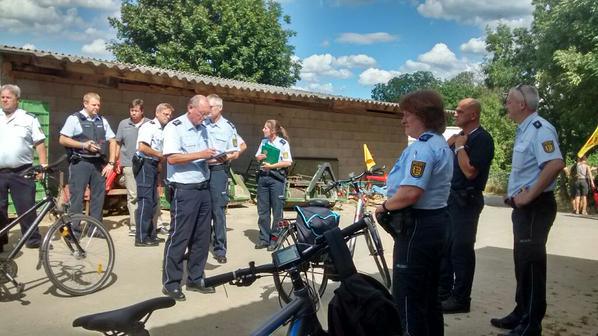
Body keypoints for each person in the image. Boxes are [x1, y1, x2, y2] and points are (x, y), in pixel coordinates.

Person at [374, 90, 453, 335]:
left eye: (407, 114)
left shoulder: (423, 148)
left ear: (422, 115)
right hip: (436, 222)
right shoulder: (439, 143)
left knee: (407, 298)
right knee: (429, 297)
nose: (403, 120)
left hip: (417, 226)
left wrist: (384, 207)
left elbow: (411, 193)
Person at [491, 84, 564, 336]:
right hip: (524, 208)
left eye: (509, 101)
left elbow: (554, 163)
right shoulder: (525, 130)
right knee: (521, 262)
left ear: (522, 105)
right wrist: (514, 196)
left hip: (536, 207)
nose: (506, 105)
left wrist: (529, 195)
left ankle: (531, 324)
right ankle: (521, 312)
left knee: (531, 265)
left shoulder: (539, 129)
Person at [439, 98, 495, 313]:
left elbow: (470, 172)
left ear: (473, 115)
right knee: (446, 247)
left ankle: (461, 299)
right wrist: (450, 145)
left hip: (467, 199)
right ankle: (443, 292)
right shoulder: (460, 138)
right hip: (451, 198)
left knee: (461, 249)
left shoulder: (482, 139)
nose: (455, 113)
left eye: (460, 111)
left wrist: (461, 148)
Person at [161, 95, 218, 301]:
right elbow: (172, 157)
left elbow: (206, 154)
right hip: (184, 189)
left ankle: (195, 277)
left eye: (206, 114)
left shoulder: (203, 128)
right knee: (180, 236)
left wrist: (216, 156)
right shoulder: (174, 127)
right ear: (190, 108)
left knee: (202, 237)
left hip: (203, 187)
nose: (203, 118)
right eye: (201, 114)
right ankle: (171, 282)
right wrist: (201, 154)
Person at [0, 84, 47, 251]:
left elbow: (39, 143)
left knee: (26, 207)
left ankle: (32, 239)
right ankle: (1, 240)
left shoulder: (28, 118)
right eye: (2, 97)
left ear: (17, 100)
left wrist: (42, 166)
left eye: (8, 97)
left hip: (22, 171)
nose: (4, 100)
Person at [59, 92, 116, 223]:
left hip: (98, 164)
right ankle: (75, 230)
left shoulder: (102, 120)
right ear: (85, 104)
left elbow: (113, 140)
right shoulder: (74, 119)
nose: (96, 108)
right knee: (77, 197)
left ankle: (95, 229)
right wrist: (83, 145)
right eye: (93, 105)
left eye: (98, 105)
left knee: (98, 197)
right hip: (80, 162)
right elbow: (62, 139)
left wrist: (111, 163)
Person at [204, 94, 244, 264]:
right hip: (200, 170)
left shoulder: (228, 127)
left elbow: (239, 146)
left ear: (219, 108)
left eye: (210, 107)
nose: (207, 110)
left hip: (218, 170)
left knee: (217, 211)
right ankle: (201, 245)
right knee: (202, 211)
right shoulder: (201, 123)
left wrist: (232, 156)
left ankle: (220, 249)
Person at [133, 103, 173, 247]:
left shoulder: (164, 129)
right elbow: (142, 147)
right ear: (157, 113)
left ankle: (151, 234)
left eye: (169, 115)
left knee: (154, 202)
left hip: (154, 165)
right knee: (145, 201)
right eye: (165, 114)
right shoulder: (149, 126)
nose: (168, 117)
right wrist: (160, 155)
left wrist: (159, 164)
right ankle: (141, 237)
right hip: (144, 164)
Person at [254, 120, 292, 251]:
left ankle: (275, 239)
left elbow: (288, 162)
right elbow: (257, 156)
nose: (263, 130)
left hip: (276, 179)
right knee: (263, 211)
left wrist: (272, 166)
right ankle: (264, 238)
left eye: (265, 128)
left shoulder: (282, 143)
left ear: (273, 131)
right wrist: (261, 157)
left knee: (277, 211)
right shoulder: (264, 142)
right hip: (263, 178)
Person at [115, 99, 150, 234]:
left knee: (148, 194)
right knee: (133, 195)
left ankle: (149, 223)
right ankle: (134, 224)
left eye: (136, 111)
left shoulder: (149, 123)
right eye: (131, 110)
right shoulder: (123, 124)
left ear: (142, 111)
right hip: (128, 163)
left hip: (146, 163)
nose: (133, 113)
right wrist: (117, 161)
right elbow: (118, 143)